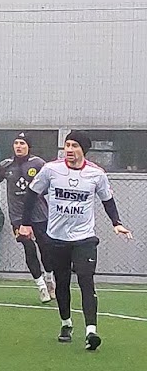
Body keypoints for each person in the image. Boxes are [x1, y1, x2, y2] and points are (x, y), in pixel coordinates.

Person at [18, 131, 132, 350]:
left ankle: (91, 332)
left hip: (84, 238)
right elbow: (32, 194)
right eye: (67, 145)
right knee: (62, 283)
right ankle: (66, 323)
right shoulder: (51, 169)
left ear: (83, 150)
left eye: (74, 146)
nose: (69, 149)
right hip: (57, 238)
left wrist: (116, 222)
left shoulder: (96, 174)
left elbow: (107, 199)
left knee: (86, 280)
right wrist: (26, 223)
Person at [0, 133, 55, 302]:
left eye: (22, 143)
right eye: (16, 143)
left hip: (39, 215)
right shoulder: (6, 165)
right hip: (17, 216)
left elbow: (51, 183)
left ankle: (49, 279)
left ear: (28, 146)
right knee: (28, 248)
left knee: (46, 249)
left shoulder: (38, 164)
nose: (18, 146)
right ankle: (41, 287)